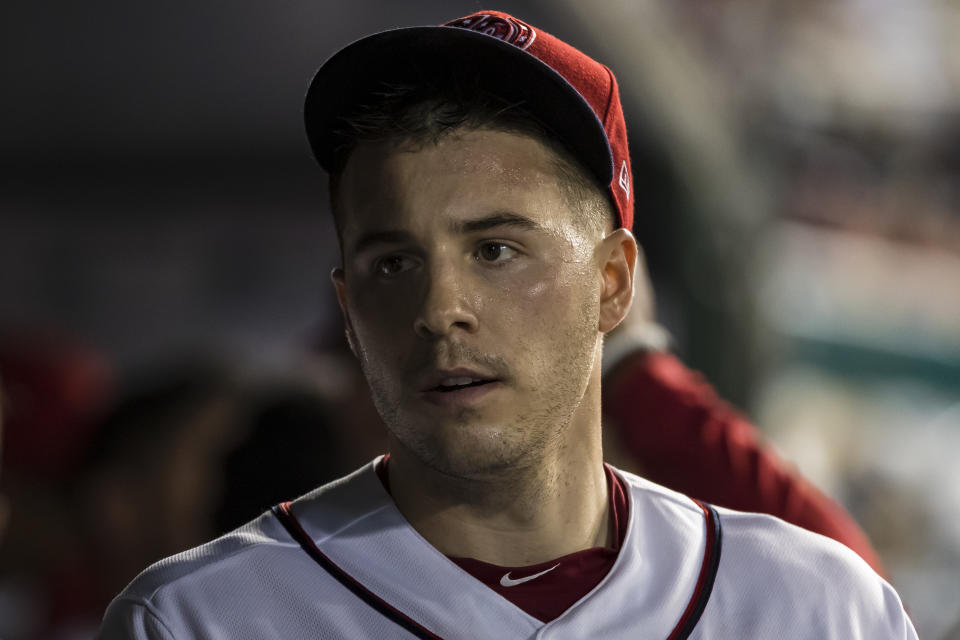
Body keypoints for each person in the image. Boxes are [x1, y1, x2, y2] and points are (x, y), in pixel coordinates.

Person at [99, 11, 916, 638]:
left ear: (612, 282)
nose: (438, 309)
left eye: (495, 249)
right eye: (393, 263)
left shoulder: (817, 606)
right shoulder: (198, 618)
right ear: (348, 313)